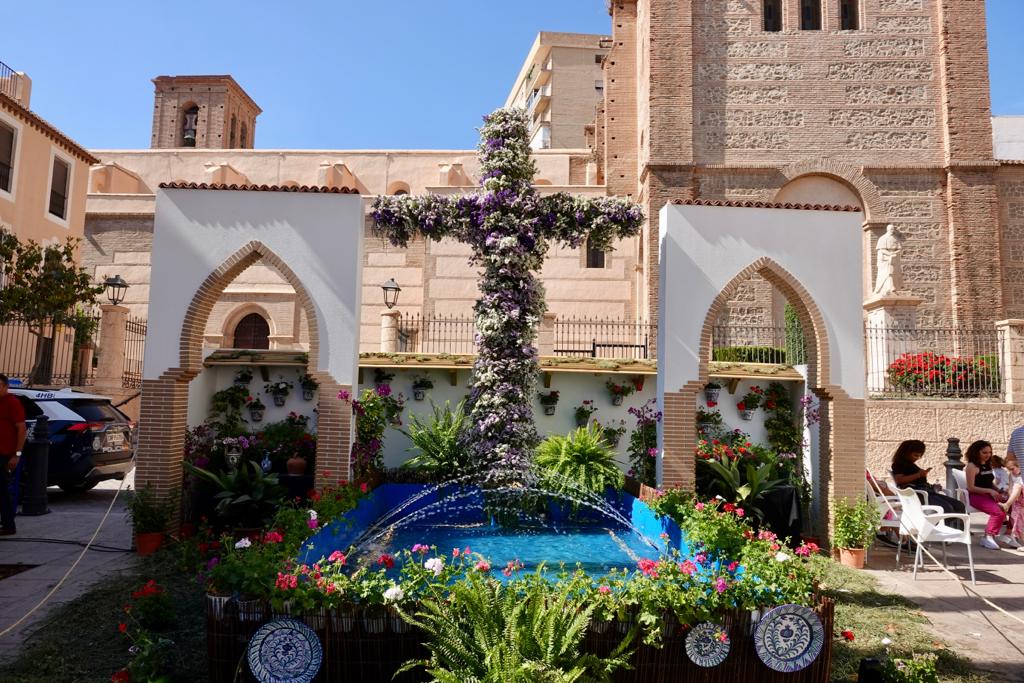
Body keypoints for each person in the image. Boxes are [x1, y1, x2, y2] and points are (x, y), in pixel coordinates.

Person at [890, 440, 966, 519]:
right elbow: (899, 480)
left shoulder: (909, 464)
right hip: (918, 494)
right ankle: (948, 529)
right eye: (915, 455)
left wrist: (933, 486)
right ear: (906, 452)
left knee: (958, 505)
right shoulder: (899, 464)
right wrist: (919, 475)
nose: (917, 459)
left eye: (919, 456)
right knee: (947, 508)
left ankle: (959, 529)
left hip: (926, 492)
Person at [965, 440, 1014, 549]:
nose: (988, 455)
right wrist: (990, 491)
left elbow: (988, 482)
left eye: (989, 452)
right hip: (976, 496)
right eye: (984, 452)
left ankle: (1008, 534)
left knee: (1015, 506)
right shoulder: (971, 466)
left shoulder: (987, 464)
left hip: (990, 494)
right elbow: (971, 487)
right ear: (976, 452)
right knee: (998, 512)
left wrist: (998, 490)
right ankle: (988, 536)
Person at [0, 374, 26, 536]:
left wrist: (16, 454)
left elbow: (21, 429)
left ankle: (9, 525)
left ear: (5, 386)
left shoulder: (12, 403)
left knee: (2, 491)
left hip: (4, 454)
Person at [1001, 455, 1024, 549]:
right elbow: (1010, 488)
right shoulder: (1011, 475)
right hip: (1018, 500)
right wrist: (1012, 498)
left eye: (1012, 468)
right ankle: (1016, 539)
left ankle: (1007, 504)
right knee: (1017, 518)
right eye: (1009, 469)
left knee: (1018, 486)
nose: (1011, 471)